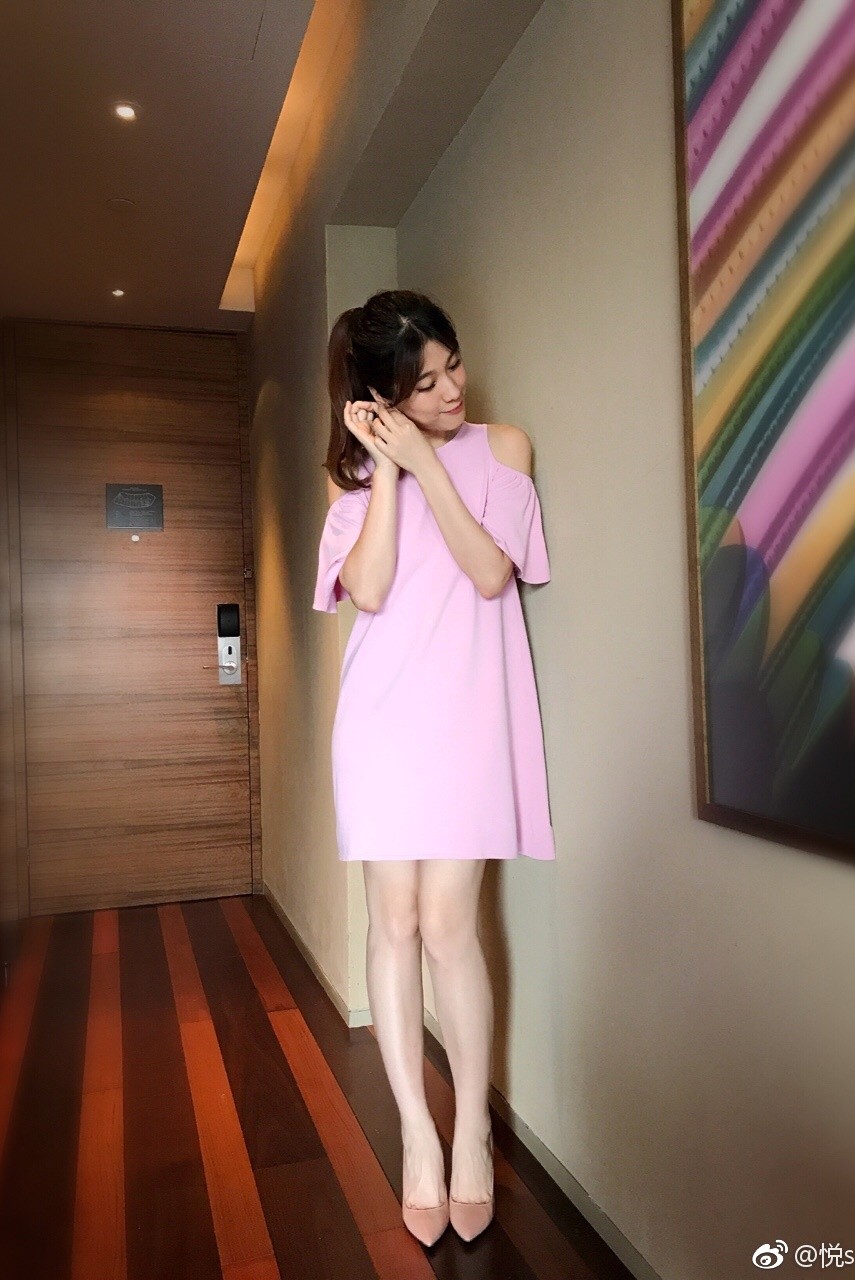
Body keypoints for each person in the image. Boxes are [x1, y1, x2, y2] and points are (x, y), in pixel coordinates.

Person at [312, 289, 555, 1246]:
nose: (453, 390)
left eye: (453, 366)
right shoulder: (353, 488)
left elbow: (491, 572)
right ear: (383, 397)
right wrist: (386, 468)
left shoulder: (504, 449)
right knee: (395, 921)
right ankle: (417, 1132)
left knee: (451, 921)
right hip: (379, 723)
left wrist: (425, 463)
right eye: (426, 384)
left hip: (466, 721)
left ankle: (471, 1132)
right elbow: (369, 590)